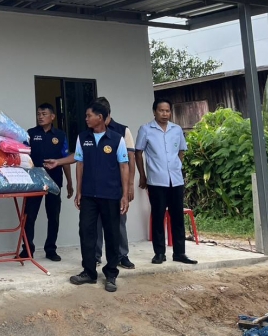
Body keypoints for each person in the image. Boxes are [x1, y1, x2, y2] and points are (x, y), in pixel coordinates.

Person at [68, 101, 130, 292]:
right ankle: (89, 272)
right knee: (86, 232)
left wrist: (125, 194)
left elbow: (124, 166)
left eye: (89, 115)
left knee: (112, 234)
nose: (86, 119)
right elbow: (79, 164)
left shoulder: (117, 139)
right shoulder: (82, 138)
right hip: (88, 195)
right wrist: (79, 191)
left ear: (100, 117)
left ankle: (111, 274)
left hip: (111, 195)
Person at [136, 98, 198, 265]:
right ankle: (159, 253)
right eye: (161, 110)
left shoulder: (176, 130)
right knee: (158, 217)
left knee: (177, 217)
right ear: (154, 111)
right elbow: (138, 153)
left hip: (176, 180)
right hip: (156, 181)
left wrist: (176, 167)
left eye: (167, 111)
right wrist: (142, 175)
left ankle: (180, 253)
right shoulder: (146, 129)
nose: (164, 114)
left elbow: (181, 151)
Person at [21, 103, 73, 262]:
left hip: (54, 180)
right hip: (34, 181)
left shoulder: (60, 135)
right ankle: (27, 249)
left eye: (44, 114)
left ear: (52, 117)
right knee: (29, 216)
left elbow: (65, 159)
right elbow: (22, 157)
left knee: (53, 216)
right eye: (38, 114)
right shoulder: (30, 133)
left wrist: (70, 182)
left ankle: (51, 249)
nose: (40, 117)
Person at [93, 96, 136, 270]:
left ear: (105, 114)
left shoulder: (123, 131)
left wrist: (130, 185)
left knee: (118, 221)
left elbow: (130, 159)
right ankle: (95, 256)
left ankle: (121, 255)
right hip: (95, 187)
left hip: (116, 186)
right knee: (95, 223)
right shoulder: (90, 131)